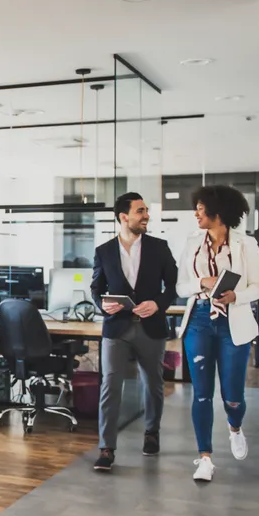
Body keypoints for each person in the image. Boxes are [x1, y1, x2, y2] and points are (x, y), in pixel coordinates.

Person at [177, 185, 259, 482]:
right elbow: (180, 287)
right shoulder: (192, 243)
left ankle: (235, 427)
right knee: (201, 394)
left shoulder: (246, 244)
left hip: (232, 322)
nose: (196, 214)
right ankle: (205, 458)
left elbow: (258, 287)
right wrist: (201, 282)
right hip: (199, 320)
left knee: (232, 396)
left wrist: (235, 296)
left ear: (219, 212)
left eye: (201, 209)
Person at [89, 193, 179, 472]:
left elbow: (174, 287)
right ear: (124, 217)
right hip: (116, 328)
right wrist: (103, 305)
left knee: (152, 384)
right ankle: (106, 448)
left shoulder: (159, 248)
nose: (146, 215)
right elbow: (96, 289)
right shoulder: (104, 251)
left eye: (146, 210)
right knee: (110, 386)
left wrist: (158, 304)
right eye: (140, 211)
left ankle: (151, 432)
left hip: (151, 327)